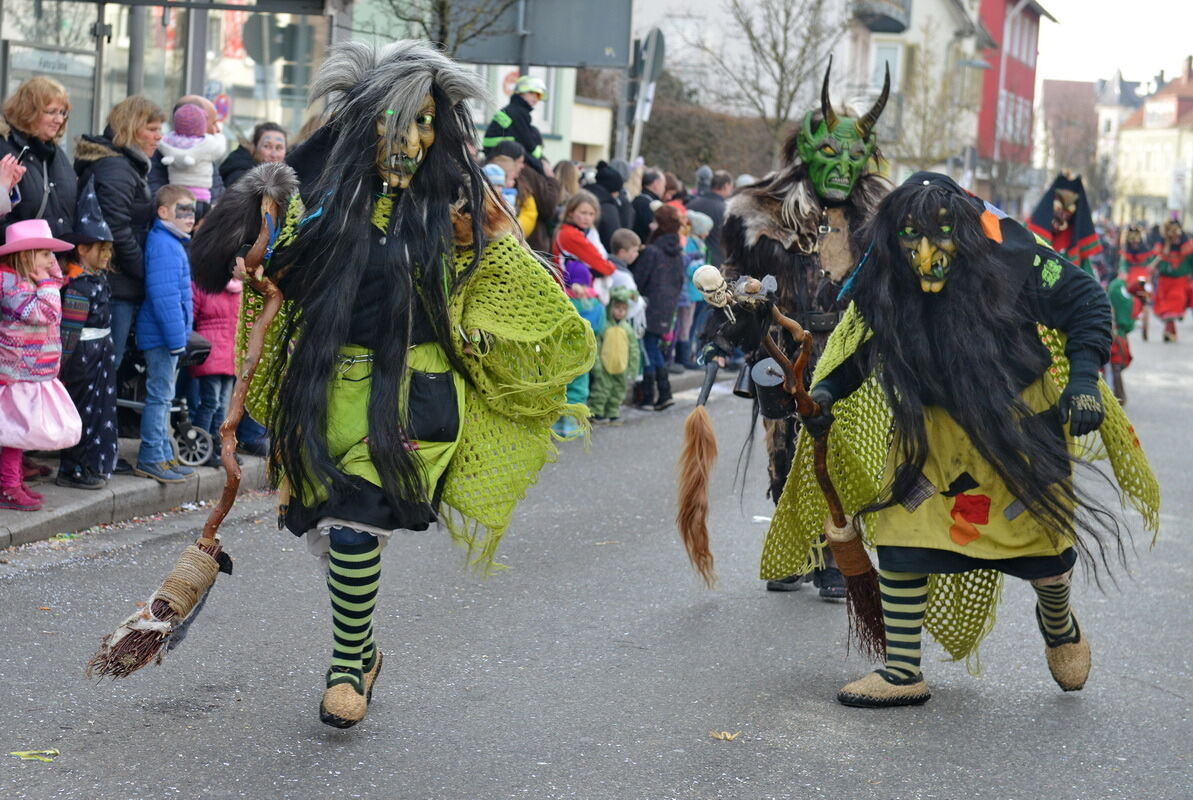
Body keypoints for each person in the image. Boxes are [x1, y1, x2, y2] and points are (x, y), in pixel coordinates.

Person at [188, 41, 594, 729]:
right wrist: (252, 235)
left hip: (414, 397)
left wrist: (491, 325)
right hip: (324, 392)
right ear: (365, 125)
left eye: (425, 123)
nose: (408, 140)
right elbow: (243, 265)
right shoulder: (321, 200)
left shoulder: (462, 207)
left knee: (352, 531)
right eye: (392, 122)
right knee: (328, 534)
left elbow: (531, 293)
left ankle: (346, 666)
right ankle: (364, 647)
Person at [766, 172, 1157, 708]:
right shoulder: (883, 275)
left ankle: (1059, 623)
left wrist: (1085, 380)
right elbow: (865, 349)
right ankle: (904, 672)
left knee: (1043, 551)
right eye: (911, 239)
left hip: (1018, 426)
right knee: (903, 536)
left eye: (941, 237)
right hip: (930, 433)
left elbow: (1086, 302)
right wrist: (829, 392)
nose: (925, 255)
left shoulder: (1014, 255)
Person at [702, 62, 891, 597]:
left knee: (842, 448)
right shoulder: (757, 208)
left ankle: (836, 557)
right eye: (831, 153)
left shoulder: (881, 212)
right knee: (784, 448)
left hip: (851, 348)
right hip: (783, 347)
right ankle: (795, 547)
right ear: (806, 151)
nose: (842, 166)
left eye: (854, 156)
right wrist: (734, 315)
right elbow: (734, 275)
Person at [75, 96, 165, 371]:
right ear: (130, 127)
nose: (158, 137)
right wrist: (143, 269)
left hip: (117, 280)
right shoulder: (118, 168)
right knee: (104, 368)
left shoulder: (125, 165)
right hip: (115, 282)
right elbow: (117, 229)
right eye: (151, 129)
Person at [0, 219, 81, 510]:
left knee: (19, 429)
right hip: (17, 372)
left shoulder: (30, 281)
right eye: (46, 254)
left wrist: (49, 275)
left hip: (31, 371)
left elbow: (54, 287)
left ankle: (13, 480)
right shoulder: (10, 283)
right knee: (14, 431)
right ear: (26, 255)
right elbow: (44, 313)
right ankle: (8, 486)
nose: (53, 261)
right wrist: (48, 281)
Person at [56, 179, 119, 489]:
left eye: (109, 250)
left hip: (100, 356)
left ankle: (94, 461)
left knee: (99, 413)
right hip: (83, 361)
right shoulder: (78, 287)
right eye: (102, 249)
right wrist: (64, 366)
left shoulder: (98, 280)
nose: (107, 256)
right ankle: (73, 466)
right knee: (81, 411)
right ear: (82, 249)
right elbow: (68, 334)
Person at [133, 185, 195, 484]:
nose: (190, 216)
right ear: (163, 212)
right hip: (161, 337)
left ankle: (161, 455)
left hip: (166, 336)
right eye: (182, 209)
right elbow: (164, 297)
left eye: (192, 210)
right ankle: (151, 456)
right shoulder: (164, 244)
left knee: (164, 395)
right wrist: (176, 340)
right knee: (160, 397)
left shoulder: (171, 243)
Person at [0, 77, 77, 239]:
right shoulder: (5, 149)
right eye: (51, 112)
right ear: (28, 111)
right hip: (19, 259)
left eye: (63, 113)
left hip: (55, 260)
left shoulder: (57, 154)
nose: (59, 120)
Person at [631, 204, 686, 411]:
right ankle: (664, 393)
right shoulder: (677, 253)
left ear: (660, 225)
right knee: (655, 349)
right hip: (667, 307)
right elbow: (679, 282)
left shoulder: (652, 251)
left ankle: (650, 396)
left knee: (648, 350)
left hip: (648, 307)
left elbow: (639, 280)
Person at [189, 272, 240, 465]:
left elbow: (190, 315)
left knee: (211, 403)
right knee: (220, 404)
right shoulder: (240, 290)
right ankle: (215, 449)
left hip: (209, 350)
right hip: (228, 353)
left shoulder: (203, 285)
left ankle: (204, 447)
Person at [148, 95, 224, 202]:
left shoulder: (206, 154)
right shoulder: (158, 155)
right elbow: (157, 201)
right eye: (213, 123)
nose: (217, 130)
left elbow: (220, 196)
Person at [490, 140, 559, 254]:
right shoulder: (517, 179)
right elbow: (548, 203)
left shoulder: (519, 181)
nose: (523, 166)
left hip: (521, 242)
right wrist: (551, 179)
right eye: (521, 161)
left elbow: (531, 210)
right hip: (514, 244)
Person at [1028, 173, 1102, 276]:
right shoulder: (1030, 229)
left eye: (1069, 209)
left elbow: (1087, 279)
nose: (1063, 214)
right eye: (1059, 206)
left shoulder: (1075, 243)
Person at [589, 286, 640, 424]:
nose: (620, 312)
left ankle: (613, 411)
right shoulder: (604, 326)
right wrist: (597, 364)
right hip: (605, 365)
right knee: (600, 389)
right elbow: (596, 346)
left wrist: (633, 367)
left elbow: (634, 349)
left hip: (622, 366)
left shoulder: (627, 329)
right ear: (610, 307)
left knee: (618, 391)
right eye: (617, 308)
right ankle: (596, 411)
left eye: (623, 309)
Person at [482, 75, 548, 173]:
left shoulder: (512, 109)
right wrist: (541, 162)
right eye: (533, 93)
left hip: (495, 149)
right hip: (502, 150)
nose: (536, 99)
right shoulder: (519, 113)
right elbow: (527, 142)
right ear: (522, 93)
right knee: (540, 168)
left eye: (539, 96)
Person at [553, 190, 616, 279]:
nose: (587, 218)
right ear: (571, 213)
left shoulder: (566, 230)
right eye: (583, 213)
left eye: (591, 214)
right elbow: (604, 267)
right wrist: (612, 267)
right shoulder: (571, 234)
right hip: (567, 287)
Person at [1150, 219, 1193, 342]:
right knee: (1167, 308)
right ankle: (1170, 332)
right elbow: (1155, 260)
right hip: (1164, 280)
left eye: (1176, 232)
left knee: (1175, 303)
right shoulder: (1162, 245)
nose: (1175, 235)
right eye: (1172, 232)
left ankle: (1169, 331)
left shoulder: (1187, 245)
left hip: (1180, 281)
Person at [685, 169, 732, 267]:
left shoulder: (691, 205)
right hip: (717, 263)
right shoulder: (727, 210)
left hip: (690, 259)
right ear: (726, 186)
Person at [220, 122, 287, 190]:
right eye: (267, 146)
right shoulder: (239, 176)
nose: (274, 155)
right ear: (254, 147)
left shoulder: (286, 175)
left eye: (279, 148)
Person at [631, 169, 664, 242]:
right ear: (656, 184)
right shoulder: (651, 205)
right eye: (663, 185)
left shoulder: (636, 200)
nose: (664, 189)